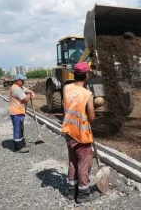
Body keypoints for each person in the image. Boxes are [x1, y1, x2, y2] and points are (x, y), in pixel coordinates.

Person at [61, 62, 99, 203]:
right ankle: (83, 194)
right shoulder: (87, 94)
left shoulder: (66, 88)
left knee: (73, 162)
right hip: (81, 135)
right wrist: (94, 104)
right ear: (86, 75)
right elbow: (92, 117)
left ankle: (72, 191)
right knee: (84, 163)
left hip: (69, 132)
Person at [9, 74, 36, 153]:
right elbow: (24, 99)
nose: (24, 81)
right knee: (17, 130)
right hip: (16, 112)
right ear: (17, 81)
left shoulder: (19, 87)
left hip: (19, 112)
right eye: (22, 80)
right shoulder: (16, 89)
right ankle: (18, 148)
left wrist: (31, 92)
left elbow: (27, 90)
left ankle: (22, 143)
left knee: (21, 129)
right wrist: (29, 95)